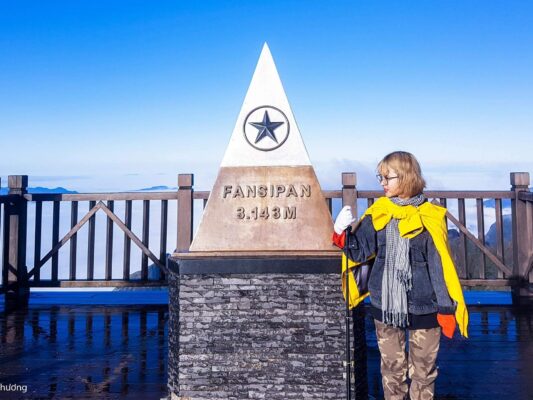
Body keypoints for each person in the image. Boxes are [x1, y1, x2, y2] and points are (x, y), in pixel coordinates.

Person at [332, 151, 468, 400]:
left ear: (406, 177)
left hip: (425, 305)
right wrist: (341, 233)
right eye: (380, 177)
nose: (382, 183)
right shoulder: (379, 212)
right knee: (392, 373)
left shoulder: (431, 216)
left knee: (424, 374)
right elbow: (359, 251)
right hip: (385, 303)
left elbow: (438, 266)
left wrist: (446, 308)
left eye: (387, 177)